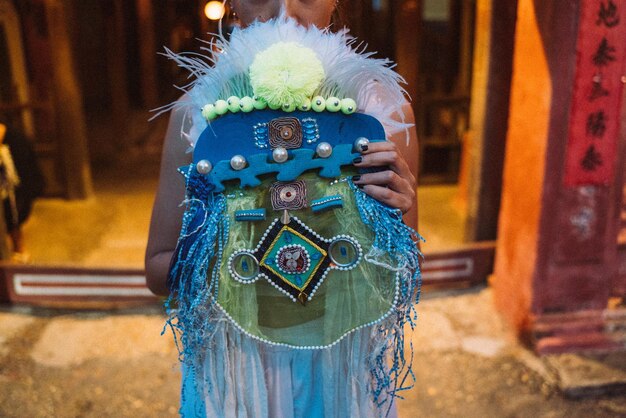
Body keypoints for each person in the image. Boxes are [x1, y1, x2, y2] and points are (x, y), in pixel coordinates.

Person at [145, 1, 420, 417]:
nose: (284, 15)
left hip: (341, 366)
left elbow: (409, 275)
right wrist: (213, 240)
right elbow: (156, 268)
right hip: (238, 369)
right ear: (233, 3)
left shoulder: (385, 111)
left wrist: (393, 227)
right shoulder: (197, 113)